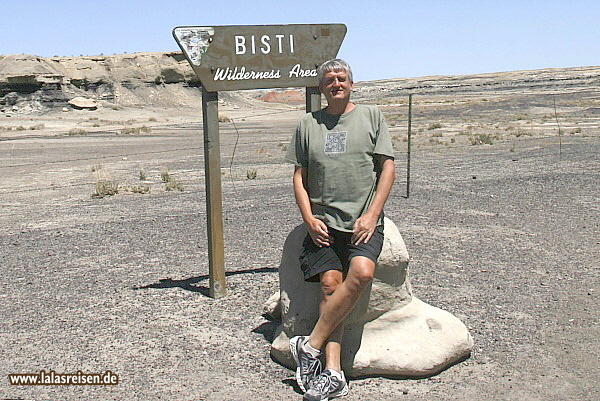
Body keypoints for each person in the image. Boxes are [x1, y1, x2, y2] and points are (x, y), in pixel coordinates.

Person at [284, 59, 395, 401]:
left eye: (341, 78)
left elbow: (387, 166)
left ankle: (310, 344)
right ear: (322, 88)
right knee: (330, 288)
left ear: (351, 83)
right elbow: (299, 176)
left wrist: (372, 214)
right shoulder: (308, 124)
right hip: (324, 224)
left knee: (361, 274)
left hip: (362, 221)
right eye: (329, 79)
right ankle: (333, 374)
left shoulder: (372, 116)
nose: (336, 83)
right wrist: (308, 218)